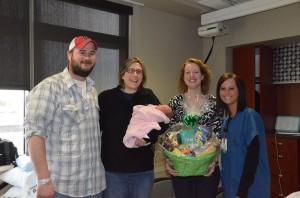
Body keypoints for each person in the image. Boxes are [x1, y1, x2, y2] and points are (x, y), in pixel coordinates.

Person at [24, 36, 106, 198]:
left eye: (92, 53)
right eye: (82, 52)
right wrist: (43, 181)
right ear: (69, 55)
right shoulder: (49, 87)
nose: (87, 57)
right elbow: (34, 136)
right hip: (63, 188)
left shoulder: (92, 88)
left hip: (94, 186)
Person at [98, 57, 170, 198]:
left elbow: (163, 122)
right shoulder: (106, 98)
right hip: (113, 172)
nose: (135, 75)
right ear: (122, 74)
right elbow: (95, 129)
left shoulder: (148, 96)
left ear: (143, 76)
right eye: (131, 70)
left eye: (139, 72)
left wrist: (147, 138)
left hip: (142, 171)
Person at [165, 58, 223, 198]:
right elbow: (168, 136)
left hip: (207, 166)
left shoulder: (215, 103)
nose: (192, 76)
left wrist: (213, 160)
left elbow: (219, 135)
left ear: (203, 76)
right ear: (183, 77)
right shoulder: (174, 103)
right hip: (181, 166)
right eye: (188, 72)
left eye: (196, 72)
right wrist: (168, 160)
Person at [216, 73, 270, 198]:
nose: (226, 92)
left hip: (250, 188)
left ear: (239, 91)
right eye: (222, 88)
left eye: (231, 88)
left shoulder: (249, 116)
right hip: (230, 186)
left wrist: (242, 192)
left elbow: (253, 157)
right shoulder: (225, 122)